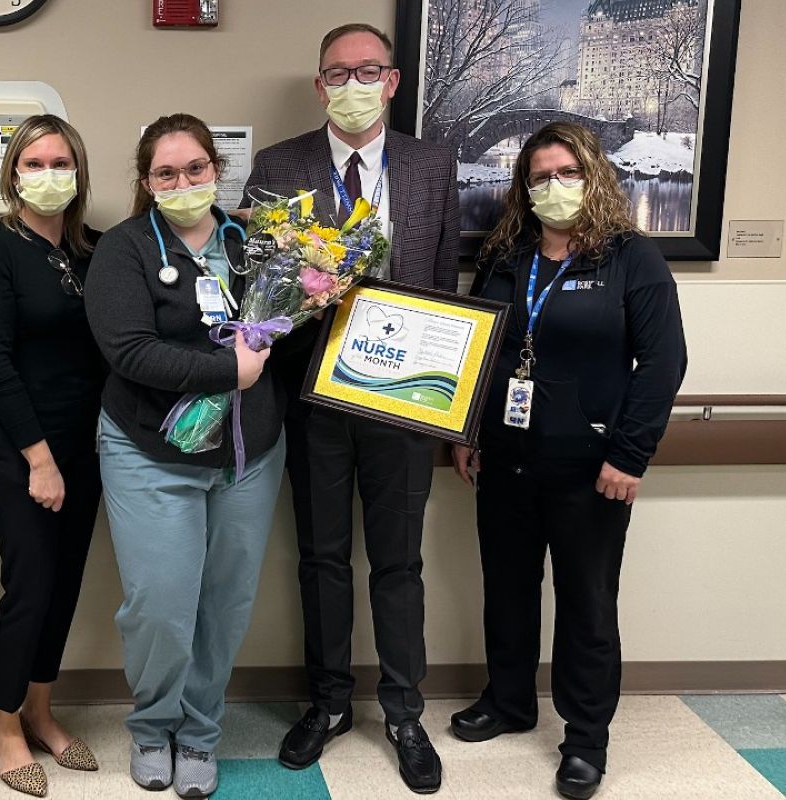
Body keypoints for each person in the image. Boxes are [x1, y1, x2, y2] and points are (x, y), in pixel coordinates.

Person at [241, 22, 459, 794]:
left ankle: (403, 712)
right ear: (319, 85)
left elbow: (442, 283)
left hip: (404, 401)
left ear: (393, 81)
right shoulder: (279, 165)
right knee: (322, 558)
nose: (354, 84)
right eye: (339, 72)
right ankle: (329, 703)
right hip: (314, 398)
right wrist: (312, 292)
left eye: (369, 70)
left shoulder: (433, 163)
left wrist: (446, 403)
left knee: (400, 562)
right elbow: (257, 289)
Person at [449, 122, 687, 800]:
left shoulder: (630, 257)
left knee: (587, 605)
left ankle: (585, 738)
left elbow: (664, 362)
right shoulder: (507, 255)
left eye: (566, 173)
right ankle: (510, 701)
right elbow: (483, 349)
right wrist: (467, 431)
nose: (552, 187)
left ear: (594, 175)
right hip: (504, 457)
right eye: (539, 176)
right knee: (508, 589)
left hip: (592, 467)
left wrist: (630, 454)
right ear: (523, 187)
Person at [84, 113, 286, 799]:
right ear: (146, 182)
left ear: (215, 170)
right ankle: (152, 726)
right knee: (161, 605)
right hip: (151, 451)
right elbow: (130, 351)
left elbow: (286, 321)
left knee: (227, 602)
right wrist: (229, 371)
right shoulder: (124, 249)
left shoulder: (257, 242)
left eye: (195, 169)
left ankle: (199, 733)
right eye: (166, 173)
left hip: (246, 453)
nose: (183, 182)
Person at [0, 114, 104, 797]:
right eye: (35, 162)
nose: (49, 175)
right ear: (13, 172)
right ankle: (5, 723)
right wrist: (39, 460)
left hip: (90, 445)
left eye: (61, 162)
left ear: (79, 173)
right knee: (29, 587)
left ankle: (42, 710)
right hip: (24, 448)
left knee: (67, 582)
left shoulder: (92, 248)